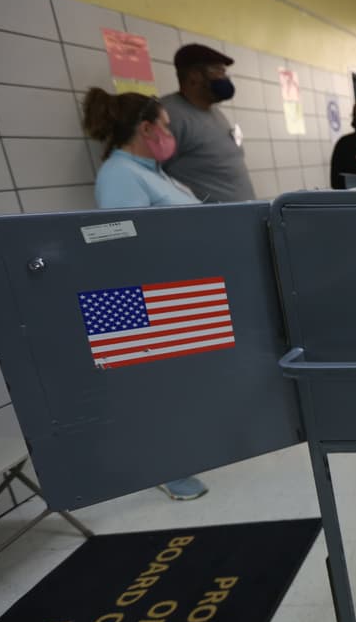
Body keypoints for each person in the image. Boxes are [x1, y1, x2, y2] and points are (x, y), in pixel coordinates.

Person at [81, 87, 208, 501]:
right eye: (167, 127)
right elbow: (123, 248)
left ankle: (184, 456)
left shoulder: (151, 171)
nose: (171, 135)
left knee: (181, 389)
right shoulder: (120, 175)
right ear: (147, 127)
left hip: (175, 291)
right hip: (146, 298)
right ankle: (166, 469)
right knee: (158, 392)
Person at [161, 44, 256, 203]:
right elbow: (147, 175)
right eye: (218, 71)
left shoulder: (215, 113)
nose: (224, 78)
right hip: (207, 224)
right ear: (194, 75)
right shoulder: (169, 116)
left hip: (238, 221)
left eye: (224, 72)